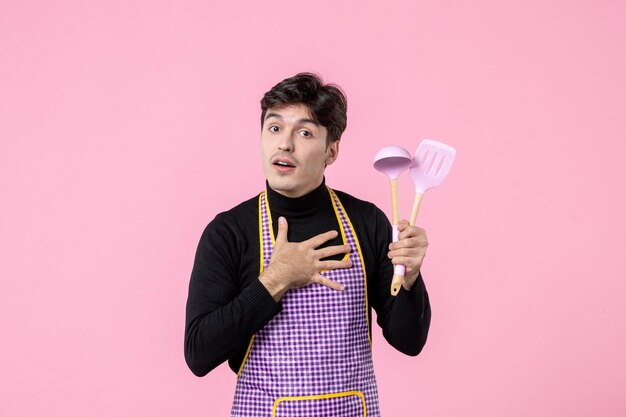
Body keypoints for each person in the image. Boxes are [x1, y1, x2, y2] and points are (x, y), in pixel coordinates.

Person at [184, 73, 431, 416]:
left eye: (304, 132)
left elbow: (409, 342)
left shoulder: (367, 222)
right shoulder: (230, 232)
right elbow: (199, 353)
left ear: (331, 151)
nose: (285, 144)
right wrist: (276, 279)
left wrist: (410, 278)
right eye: (274, 128)